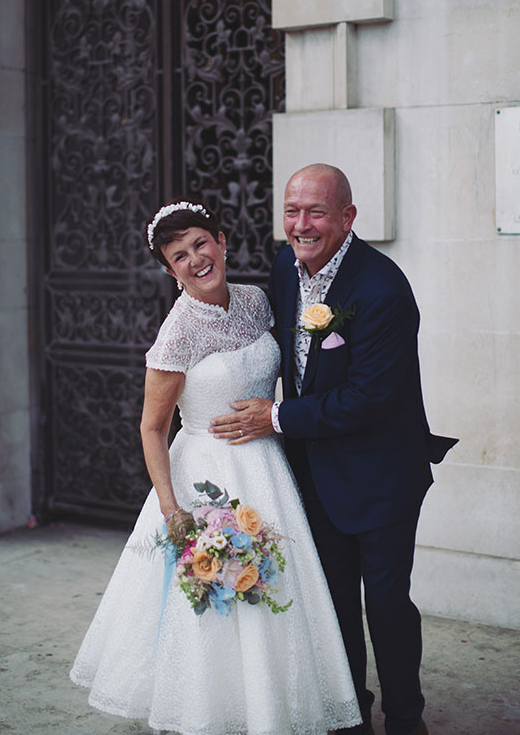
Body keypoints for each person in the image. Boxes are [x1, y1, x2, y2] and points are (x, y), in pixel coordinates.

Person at [70, 199, 362, 734]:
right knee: (222, 600)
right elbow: (152, 428)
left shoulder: (256, 301)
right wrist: (172, 509)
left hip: (270, 470)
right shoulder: (178, 332)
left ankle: (276, 708)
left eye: (201, 243)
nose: (195, 259)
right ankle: (217, 714)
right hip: (206, 479)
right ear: (168, 269)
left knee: (278, 594)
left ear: (221, 240)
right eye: (179, 255)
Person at [210, 165, 457, 735]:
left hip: (381, 475)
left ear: (347, 217)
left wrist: (273, 418)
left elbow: (367, 397)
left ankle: (405, 718)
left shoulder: (383, 289)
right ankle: (351, 717)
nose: (302, 224)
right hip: (315, 472)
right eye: (292, 211)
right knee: (334, 602)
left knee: (388, 606)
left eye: (316, 212)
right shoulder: (283, 268)